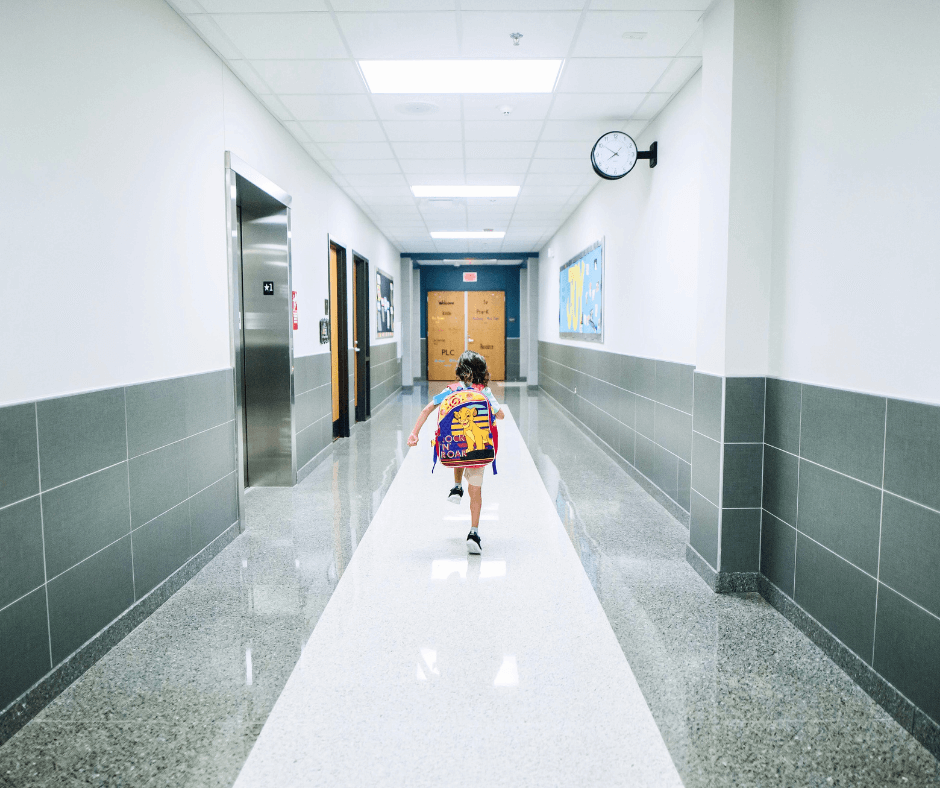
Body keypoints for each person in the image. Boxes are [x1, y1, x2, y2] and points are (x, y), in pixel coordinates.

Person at [407, 351, 505, 554]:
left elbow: (426, 410)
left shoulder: (450, 390)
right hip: (479, 450)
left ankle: (457, 486)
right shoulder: (485, 392)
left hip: (454, 449)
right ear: (482, 371)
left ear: (460, 371)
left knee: (458, 448)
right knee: (476, 491)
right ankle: (474, 533)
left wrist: (414, 434)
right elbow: (501, 415)